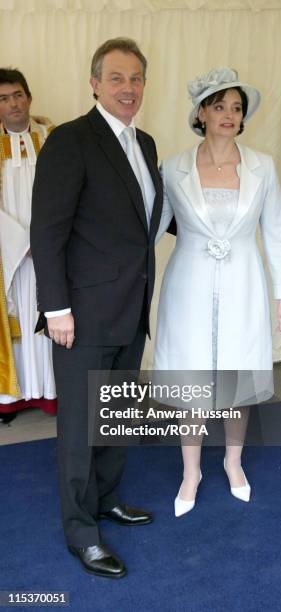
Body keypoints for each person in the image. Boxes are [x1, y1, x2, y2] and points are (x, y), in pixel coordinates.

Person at [30, 38, 163, 578]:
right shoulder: (71, 140)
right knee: (81, 428)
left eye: (135, 79)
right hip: (81, 315)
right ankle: (81, 532)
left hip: (130, 310)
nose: (127, 88)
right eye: (115, 78)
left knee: (115, 418)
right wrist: (56, 307)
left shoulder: (147, 143)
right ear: (94, 83)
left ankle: (105, 500)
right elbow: (48, 230)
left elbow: (141, 222)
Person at [154, 67, 281, 516]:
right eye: (219, 106)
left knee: (238, 374)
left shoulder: (262, 166)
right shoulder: (173, 167)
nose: (229, 114)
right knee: (192, 377)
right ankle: (191, 470)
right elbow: (150, 231)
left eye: (236, 107)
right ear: (201, 112)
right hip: (188, 284)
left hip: (244, 282)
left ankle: (234, 462)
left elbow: (275, 233)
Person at [0, 68, 56, 419]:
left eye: (18, 95)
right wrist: (21, 241)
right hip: (7, 256)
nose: (13, 104)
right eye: (3, 99)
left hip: (52, 251)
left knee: (49, 316)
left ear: (30, 97)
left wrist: (47, 238)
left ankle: (51, 393)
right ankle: (9, 400)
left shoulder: (54, 137)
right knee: (14, 320)